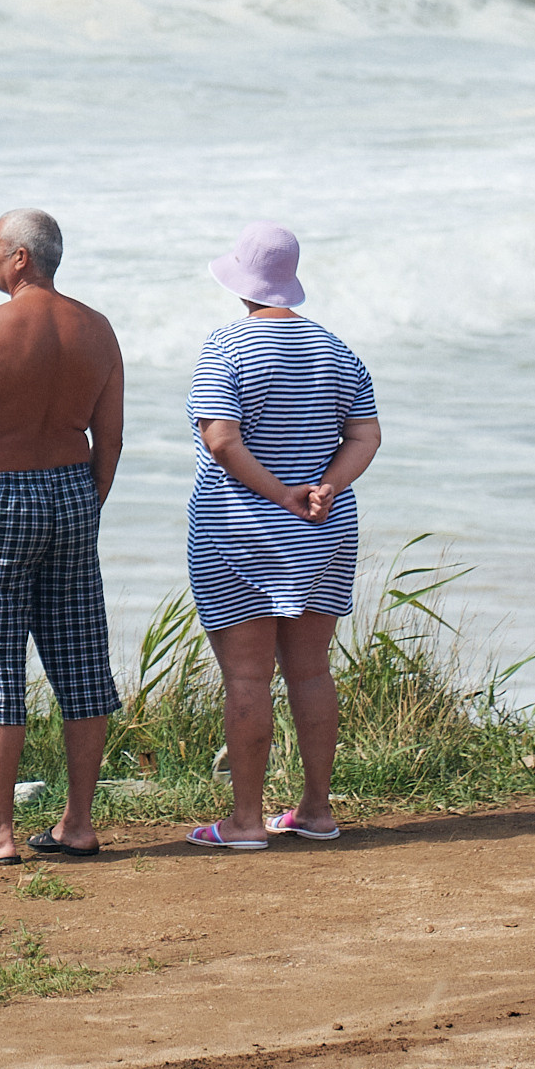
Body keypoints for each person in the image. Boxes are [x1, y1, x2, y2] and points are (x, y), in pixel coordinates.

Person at [0, 208, 124, 865]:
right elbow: (111, 438)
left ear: (20, 259)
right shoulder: (96, 330)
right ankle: (77, 824)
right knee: (78, 656)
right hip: (71, 490)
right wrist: (82, 504)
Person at [183, 223, 381, 849]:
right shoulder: (335, 348)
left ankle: (245, 822)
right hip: (325, 532)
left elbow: (220, 438)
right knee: (311, 670)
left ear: (239, 281)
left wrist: (278, 494)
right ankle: (316, 811)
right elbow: (365, 435)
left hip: (240, 532)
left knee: (246, 678)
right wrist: (325, 487)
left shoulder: (227, 347)